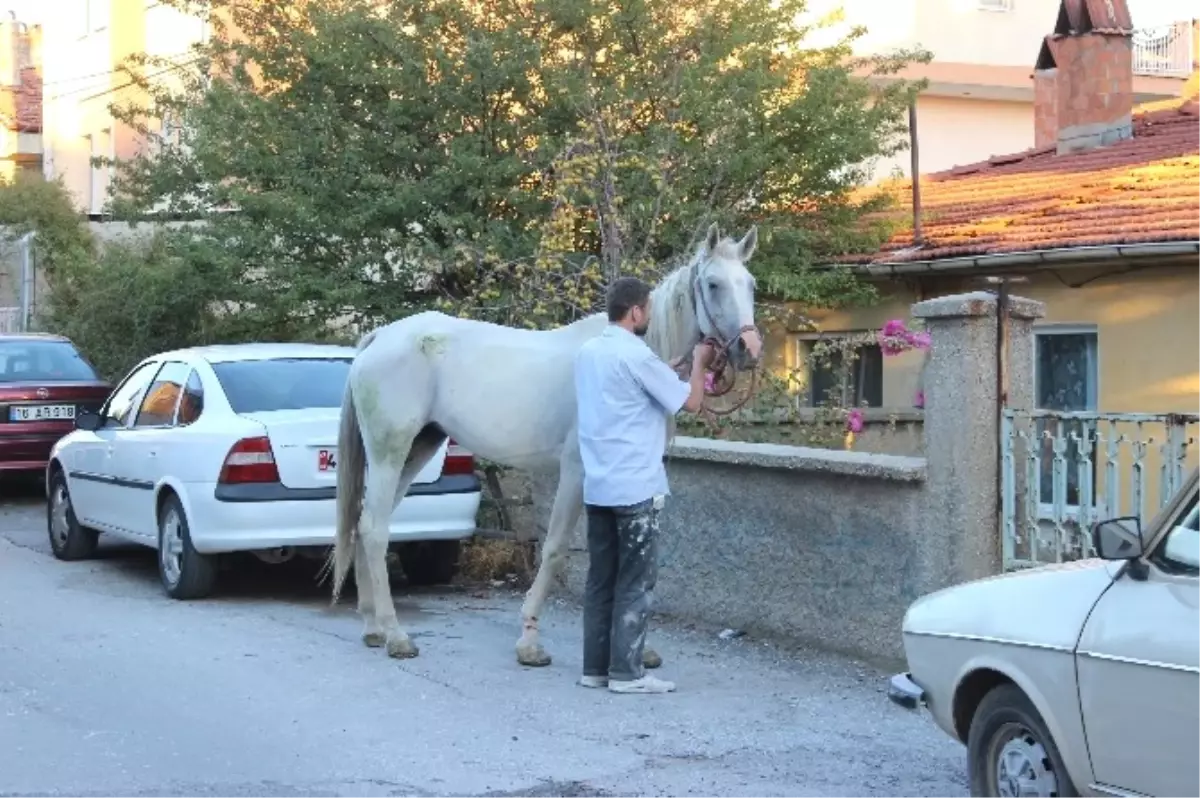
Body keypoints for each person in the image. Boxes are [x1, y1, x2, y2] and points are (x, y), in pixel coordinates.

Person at [573, 276, 714, 694]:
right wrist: (701, 363)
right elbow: (690, 402)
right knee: (635, 582)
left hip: (598, 485)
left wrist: (667, 373)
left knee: (600, 580)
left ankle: (594, 669)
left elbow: (626, 392)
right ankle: (627, 674)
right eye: (647, 309)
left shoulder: (588, 352)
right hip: (635, 488)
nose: (648, 316)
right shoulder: (638, 355)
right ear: (635, 312)